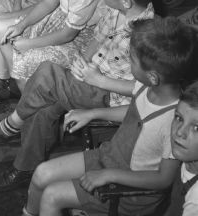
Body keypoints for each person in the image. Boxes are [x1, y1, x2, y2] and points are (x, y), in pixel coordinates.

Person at [0, 0, 158, 192]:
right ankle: (26, 168)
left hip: (109, 94)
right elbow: (98, 38)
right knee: (43, 106)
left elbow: (144, 90)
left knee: (47, 72)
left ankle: (10, 126)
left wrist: (96, 79)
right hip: (90, 77)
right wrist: (82, 62)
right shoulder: (117, 11)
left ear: (127, 1)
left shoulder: (147, 38)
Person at [26, 18, 196, 216]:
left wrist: (108, 175)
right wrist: (93, 113)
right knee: (41, 174)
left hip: (130, 193)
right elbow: (135, 114)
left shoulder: (175, 119)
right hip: (109, 157)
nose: (127, 59)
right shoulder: (146, 87)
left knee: (52, 196)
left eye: (131, 59)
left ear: (153, 76)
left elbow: (163, 178)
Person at [171, 80, 198, 216]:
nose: (180, 132)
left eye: (196, 128)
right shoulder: (188, 158)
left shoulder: (196, 200)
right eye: (179, 118)